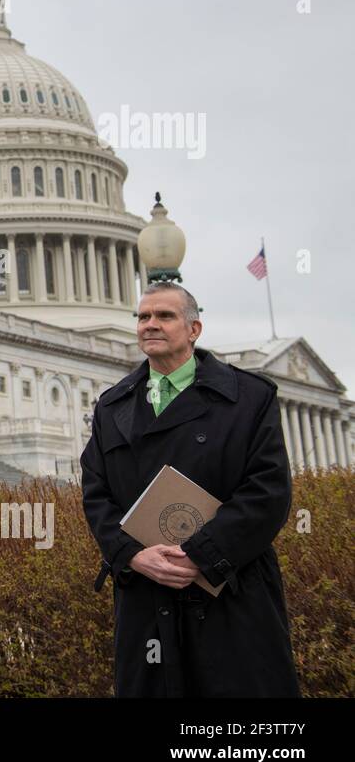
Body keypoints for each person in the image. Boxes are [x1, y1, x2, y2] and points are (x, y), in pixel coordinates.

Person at [82, 281, 300, 697]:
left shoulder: (250, 397)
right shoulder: (112, 405)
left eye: (164, 316)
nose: (150, 325)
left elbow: (267, 492)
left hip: (230, 589)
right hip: (146, 592)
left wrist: (200, 554)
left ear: (194, 328)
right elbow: (96, 493)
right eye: (143, 317)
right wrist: (131, 555)